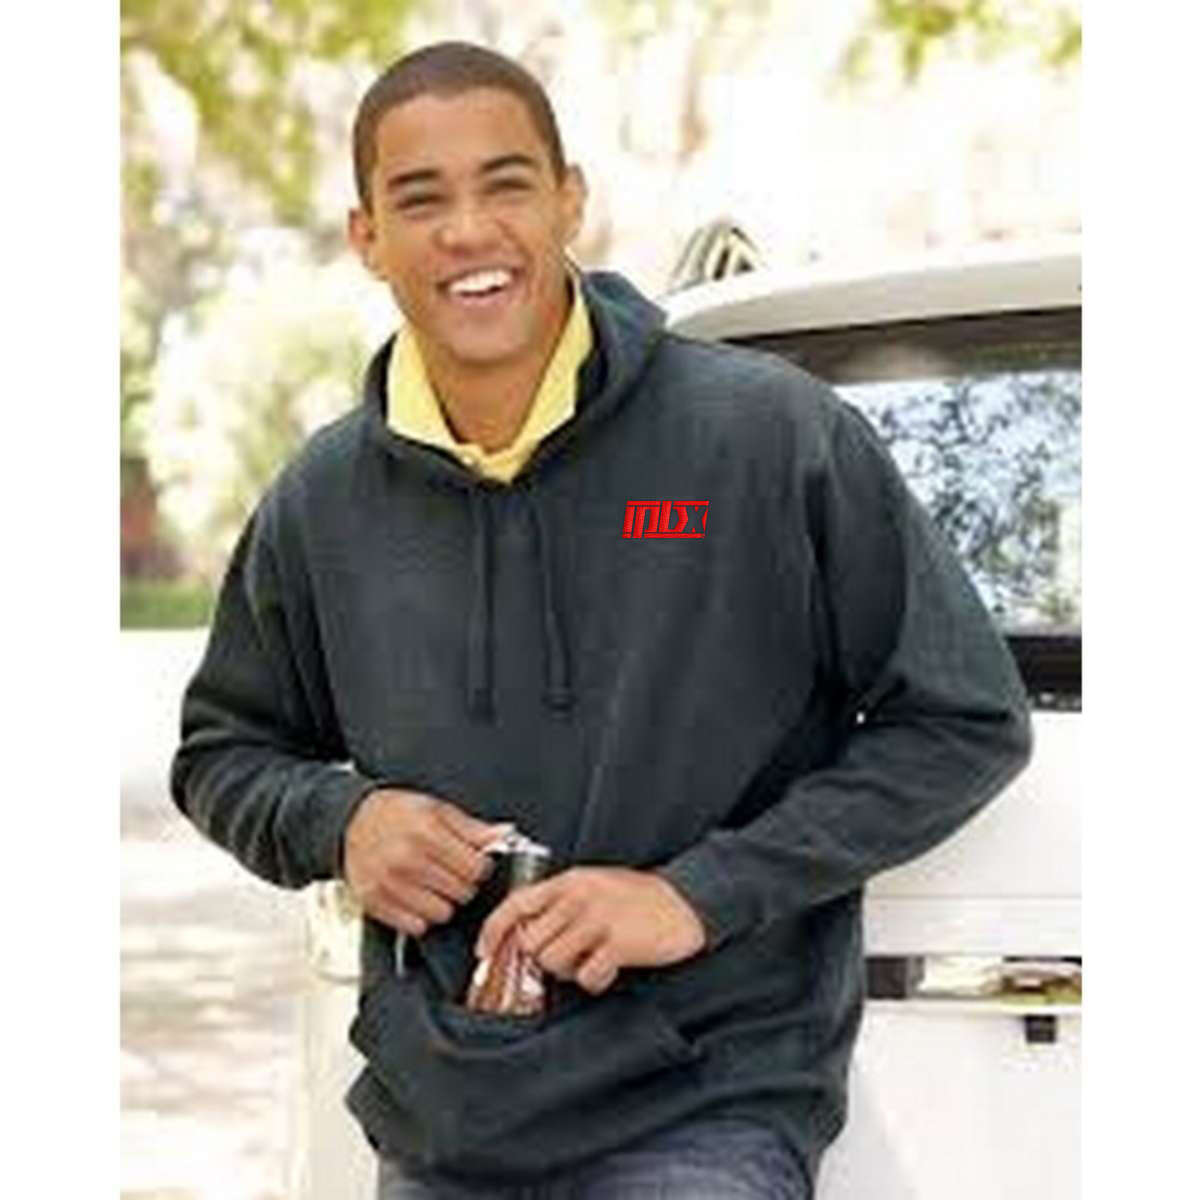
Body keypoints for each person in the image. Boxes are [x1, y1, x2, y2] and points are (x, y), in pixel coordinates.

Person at [170, 40, 1032, 1200]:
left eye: (507, 185)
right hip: (445, 1113)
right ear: (367, 238)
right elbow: (222, 752)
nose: (469, 230)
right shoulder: (321, 504)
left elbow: (964, 719)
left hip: (706, 1098)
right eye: (420, 200)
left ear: (568, 199)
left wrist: (694, 896)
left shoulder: (767, 439)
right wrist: (342, 820)